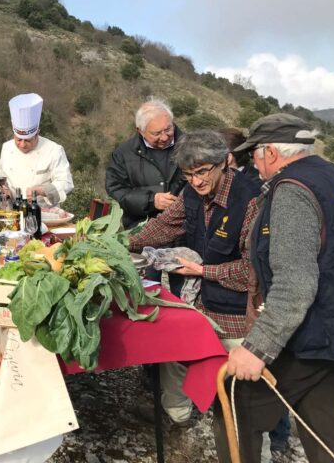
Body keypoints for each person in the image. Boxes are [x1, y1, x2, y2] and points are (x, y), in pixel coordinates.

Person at [222, 113, 334, 463]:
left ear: (270, 152)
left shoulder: (292, 191)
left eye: (254, 154)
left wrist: (257, 348)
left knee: (238, 401)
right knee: (323, 416)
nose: (252, 163)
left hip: (308, 333)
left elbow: (296, 282)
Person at [129, 130, 261, 427]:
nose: (196, 181)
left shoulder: (250, 200)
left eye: (202, 172)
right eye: (189, 175)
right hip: (199, 300)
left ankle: (245, 436)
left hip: (235, 311)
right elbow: (164, 226)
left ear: (225, 162)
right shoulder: (191, 192)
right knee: (174, 350)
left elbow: (254, 271)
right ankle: (177, 415)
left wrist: (205, 271)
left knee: (239, 388)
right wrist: (121, 242)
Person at [218, 125, 292, 459]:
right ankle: (278, 437)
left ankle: (277, 436)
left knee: (269, 378)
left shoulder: (262, 192)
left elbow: (264, 265)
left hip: (263, 301)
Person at [106, 98, 186, 229]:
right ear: (140, 131)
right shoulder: (123, 154)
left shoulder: (190, 146)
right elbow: (116, 191)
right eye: (157, 133)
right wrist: (151, 201)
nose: (164, 137)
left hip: (183, 229)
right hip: (141, 230)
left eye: (168, 129)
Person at [0, 93, 73, 207]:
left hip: (44, 214)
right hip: (12, 212)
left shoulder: (54, 150)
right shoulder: (7, 147)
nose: (22, 145)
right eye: (18, 140)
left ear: (37, 134)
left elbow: (66, 183)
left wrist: (43, 190)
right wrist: (3, 188)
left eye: (27, 140)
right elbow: (1, 174)